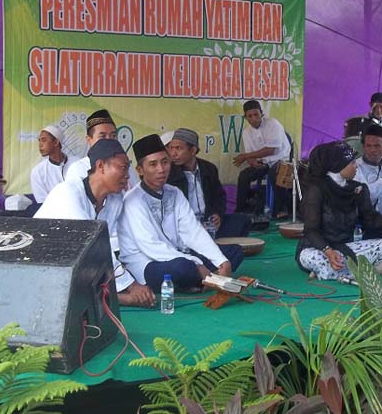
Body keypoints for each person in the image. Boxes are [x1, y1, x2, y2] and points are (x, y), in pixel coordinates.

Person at [36, 139, 154, 308]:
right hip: (41, 263)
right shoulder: (67, 192)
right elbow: (95, 246)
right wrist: (132, 285)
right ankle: (118, 298)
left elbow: (101, 248)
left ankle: (111, 296)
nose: (128, 175)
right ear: (100, 166)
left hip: (74, 262)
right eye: (123, 167)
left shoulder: (115, 200)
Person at [119, 134, 244, 293]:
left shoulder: (174, 193)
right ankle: (200, 279)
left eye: (165, 162)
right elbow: (151, 246)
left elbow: (192, 231)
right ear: (140, 170)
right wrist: (196, 264)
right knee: (183, 268)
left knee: (233, 253)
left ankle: (199, 281)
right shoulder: (133, 200)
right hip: (146, 263)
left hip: (178, 253)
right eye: (153, 164)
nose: (161, 169)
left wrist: (221, 261)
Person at [296, 141, 382, 281]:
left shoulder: (358, 189)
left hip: (344, 248)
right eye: (352, 163)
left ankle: (335, 272)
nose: (356, 166)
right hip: (316, 249)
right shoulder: (316, 190)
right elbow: (311, 231)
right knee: (318, 259)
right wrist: (328, 251)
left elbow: (371, 220)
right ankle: (365, 271)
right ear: (338, 166)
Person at [167, 128, 251, 238]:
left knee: (243, 220)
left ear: (193, 150)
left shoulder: (209, 169)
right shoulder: (169, 173)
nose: (173, 154)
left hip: (207, 222)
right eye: (171, 148)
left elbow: (219, 197)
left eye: (178, 148)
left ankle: (209, 239)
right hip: (185, 226)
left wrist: (217, 215)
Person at [233, 100, 291, 216]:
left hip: (280, 159)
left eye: (256, 114)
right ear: (246, 118)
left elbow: (270, 150)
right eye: (250, 116)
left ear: (262, 114)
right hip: (263, 162)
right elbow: (250, 154)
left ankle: (280, 210)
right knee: (244, 176)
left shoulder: (273, 124)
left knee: (274, 174)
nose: (254, 118)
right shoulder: (246, 133)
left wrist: (245, 156)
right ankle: (241, 211)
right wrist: (252, 162)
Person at [65, 109, 119, 182]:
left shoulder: (124, 166)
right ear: (89, 140)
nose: (109, 141)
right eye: (102, 136)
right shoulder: (78, 169)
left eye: (113, 136)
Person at [30, 125, 72, 203]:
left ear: (56, 142)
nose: (40, 145)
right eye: (39, 141)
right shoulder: (38, 172)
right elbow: (42, 203)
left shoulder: (77, 163)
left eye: (44, 140)